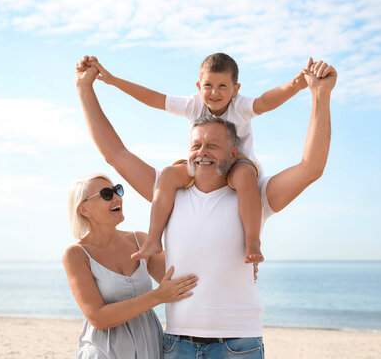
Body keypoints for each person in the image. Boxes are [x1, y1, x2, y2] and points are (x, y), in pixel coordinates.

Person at [75, 55, 336, 358]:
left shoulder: (253, 196)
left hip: (239, 345)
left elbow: (310, 167)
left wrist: (320, 95)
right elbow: (115, 152)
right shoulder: (168, 192)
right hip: (177, 344)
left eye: (213, 146)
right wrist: (85, 89)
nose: (202, 153)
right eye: (196, 146)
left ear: (234, 153)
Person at [90, 53, 310, 264]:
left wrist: (294, 86)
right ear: (198, 86)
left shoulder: (240, 105)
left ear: (235, 89)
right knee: (168, 174)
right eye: (208, 85)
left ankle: (252, 241)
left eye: (223, 86)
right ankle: (154, 239)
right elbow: (154, 99)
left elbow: (265, 102)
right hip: (203, 162)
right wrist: (113, 81)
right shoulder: (193, 104)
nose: (214, 92)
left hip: (238, 163)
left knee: (244, 176)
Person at [63, 173, 198, 358]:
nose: (117, 197)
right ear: (84, 209)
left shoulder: (141, 240)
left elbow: (182, 281)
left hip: (150, 348)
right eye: (106, 194)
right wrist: (157, 296)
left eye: (117, 190)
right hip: (105, 352)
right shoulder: (76, 255)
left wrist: (239, 268)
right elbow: (98, 318)